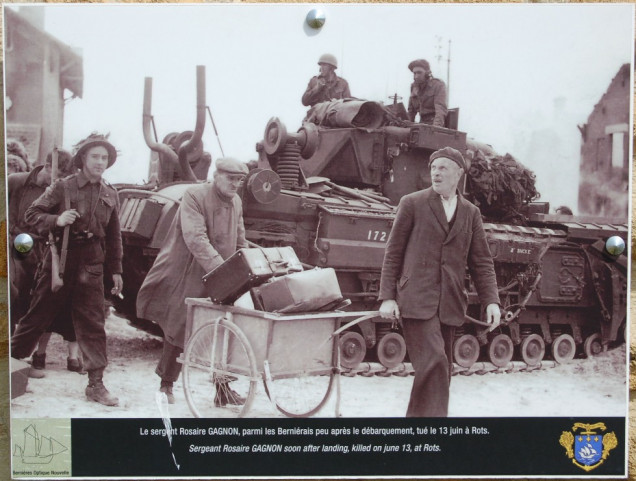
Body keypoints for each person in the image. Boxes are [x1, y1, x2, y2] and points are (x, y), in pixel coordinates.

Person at [378, 146, 500, 417]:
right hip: (417, 299)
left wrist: (492, 301)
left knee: (440, 370)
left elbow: (482, 262)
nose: (436, 172)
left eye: (443, 167)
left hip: (450, 303)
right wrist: (387, 296)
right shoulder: (412, 203)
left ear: (459, 174)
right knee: (434, 361)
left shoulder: (471, 213)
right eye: (433, 168)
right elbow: (393, 251)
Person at [11, 133, 123, 406]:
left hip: (92, 263)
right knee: (36, 317)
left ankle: (96, 385)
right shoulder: (63, 186)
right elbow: (32, 215)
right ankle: (8, 369)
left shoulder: (110, 193)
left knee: (94, 325)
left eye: (104, 158)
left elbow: (114, 236)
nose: (100, 162)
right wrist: (57, 219)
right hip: (60, 260)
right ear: (83, 159)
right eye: (95, 156)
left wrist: (116, 271)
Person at [136, 157, 249, 405]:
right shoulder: (195, 195)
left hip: (222, 271)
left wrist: (246, 264)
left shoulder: (237, 202)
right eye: (231, 178)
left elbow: (240, 239)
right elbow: (195, 237)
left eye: (239, 180)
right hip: (189, 268)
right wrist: (222, 269)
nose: (235, 184)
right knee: (180, 324)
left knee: (225, 326)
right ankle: (166, 385)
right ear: (216, 175)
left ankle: (223, 390)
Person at [8, 149, 84, 376]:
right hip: (17, 242)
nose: (58, 179)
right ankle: (12, 359)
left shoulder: (58, 191)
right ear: (46, 165)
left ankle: (24, 359)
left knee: (36, 302)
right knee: (16, 293)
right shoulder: (17, 182)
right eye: (57, 174)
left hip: (44, 248)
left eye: (63, 175)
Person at [407, 59, 448, 127]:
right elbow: (411, 112)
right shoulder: (414, 87)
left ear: (427, 73)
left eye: (419, 72)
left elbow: (440, 110)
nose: (416, 76)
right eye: (414, 73)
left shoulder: (438, 85)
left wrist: (434, 129)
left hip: (434, 124)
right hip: (421, 124)